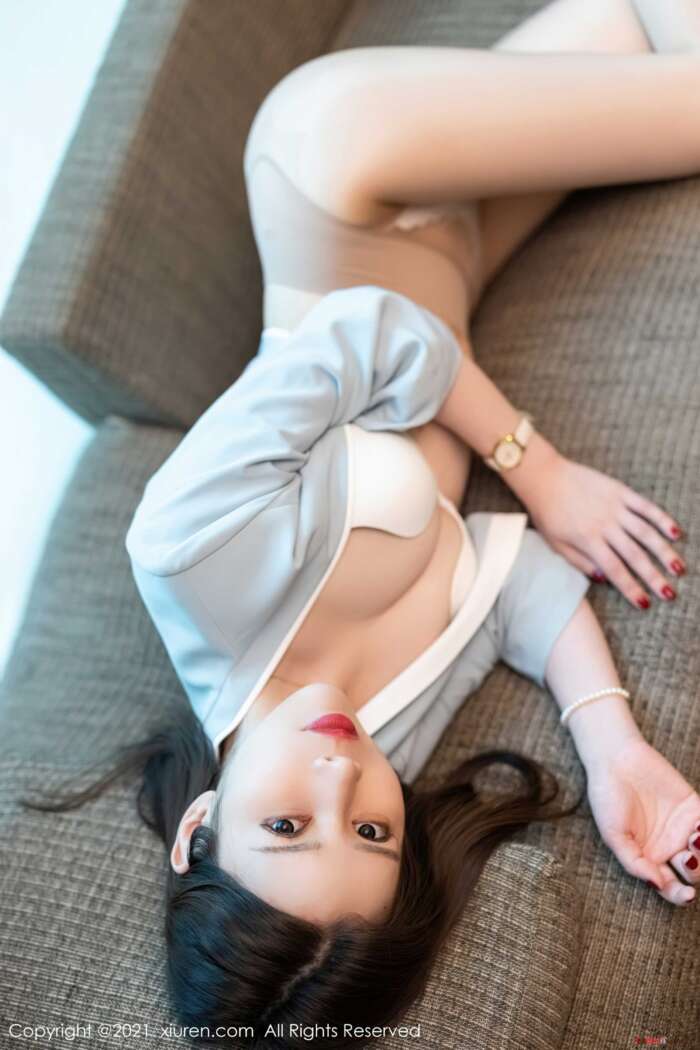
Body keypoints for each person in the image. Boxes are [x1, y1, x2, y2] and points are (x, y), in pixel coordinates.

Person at [20, 2, 700, 1048]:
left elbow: (367, 331)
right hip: (455, 246)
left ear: (199, 828)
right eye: (374, 831)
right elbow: (511, 592)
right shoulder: (384, 740)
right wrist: (616, 754)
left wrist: (540, 470)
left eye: (287, 824)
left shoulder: (188, 553)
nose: (342, 781)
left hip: (347, 168)